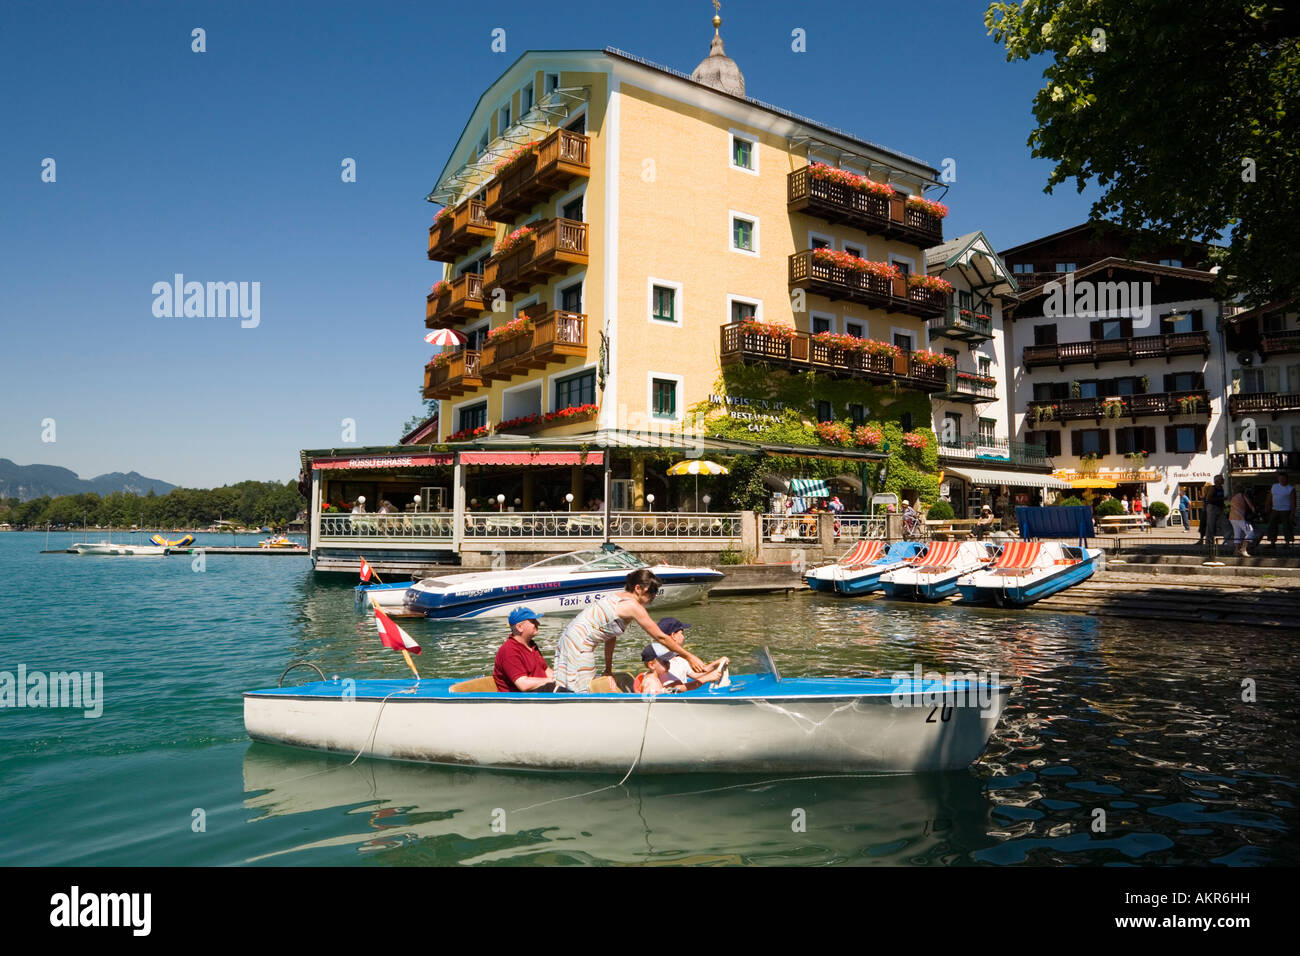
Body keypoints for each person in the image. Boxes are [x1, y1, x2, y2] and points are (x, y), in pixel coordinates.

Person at [552, 569, 705, 693]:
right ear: (637, 588)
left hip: (573, 640)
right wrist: (689, 657)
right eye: (651, 590)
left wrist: (608, 669)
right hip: (578, 643)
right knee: (581, 689)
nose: (655, 594)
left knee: (576, 685)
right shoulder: (633, 606)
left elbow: (610, 636)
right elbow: (661, 636)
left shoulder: (622, 599)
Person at [493, 607, 566, 692]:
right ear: (519, 627)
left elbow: (545, 670)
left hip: (538, 692)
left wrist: (563, 678)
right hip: (520, 700)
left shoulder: (531, 645)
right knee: (559, 690)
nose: (538, 623)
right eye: (533, 621)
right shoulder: (508, 650)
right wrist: (552, 681)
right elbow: (523, 684)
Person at [636, 642, 730, 695]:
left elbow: (665, 690)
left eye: (669, 660)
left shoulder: (655, 677)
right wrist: (707, 678)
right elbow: (677, 689)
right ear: (652, 665)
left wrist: (673, 685)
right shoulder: (651, 682)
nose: (669, 663)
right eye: (664, 661)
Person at [1259, 471, 1296, 548]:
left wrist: (1292, 513)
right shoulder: (1274, 486)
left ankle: (1288, 543)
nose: (1282, 480)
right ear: (1278, 479)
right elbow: (1269, 497)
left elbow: (1293, 501)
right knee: (1272, 526)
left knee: (1287, 526)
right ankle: (1272, 543)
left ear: (1286, 479)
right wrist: (1267, 506)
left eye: (1283, 479)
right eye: (1280, 478)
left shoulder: (1290, 488)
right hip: (1275, 509)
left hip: (1286, 510)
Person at [1229, 486, 1256, 557]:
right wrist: (1254, 511)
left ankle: (1236, 551)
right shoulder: (1243, 495)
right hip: (1240, 517)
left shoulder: (1233, 497)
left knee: (1237, 534)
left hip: (1232, 518)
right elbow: (1251, 507)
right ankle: (1243, 549)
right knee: (1250, 532)